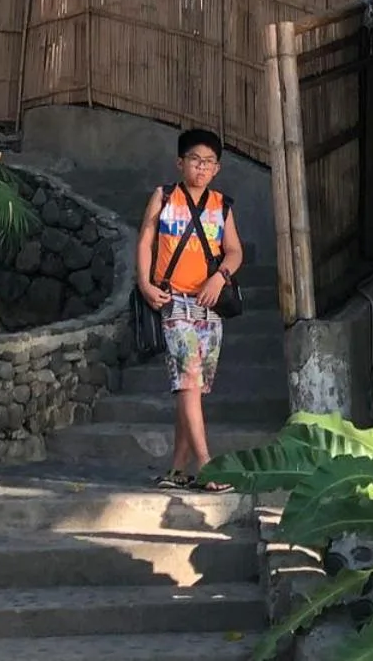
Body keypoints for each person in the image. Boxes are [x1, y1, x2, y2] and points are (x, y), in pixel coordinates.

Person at [136, 127, 243, 489]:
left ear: (217, 169)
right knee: (188, 382)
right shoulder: (165, 197)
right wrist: (145, 283)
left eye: (209, 162)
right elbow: (146, 240)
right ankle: (208, 467)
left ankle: (177, 471)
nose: (201, 167)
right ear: (180, 163)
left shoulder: (221, 205)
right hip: (174, 302)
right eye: (195, 160)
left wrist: (219, 278)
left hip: (209, 306)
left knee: (193, 388)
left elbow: (234, 251)